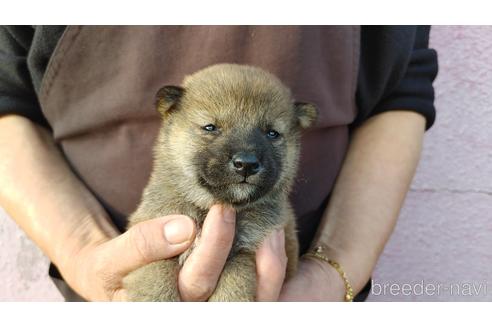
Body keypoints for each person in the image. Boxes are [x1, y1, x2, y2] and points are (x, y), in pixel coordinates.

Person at [0, 26, 438, 301]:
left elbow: (400, 91)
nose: (245, 156)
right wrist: (82, 252)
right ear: (170, 113)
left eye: (271, 134)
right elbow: (7, 95)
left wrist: (331, 272)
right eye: (211, 128)